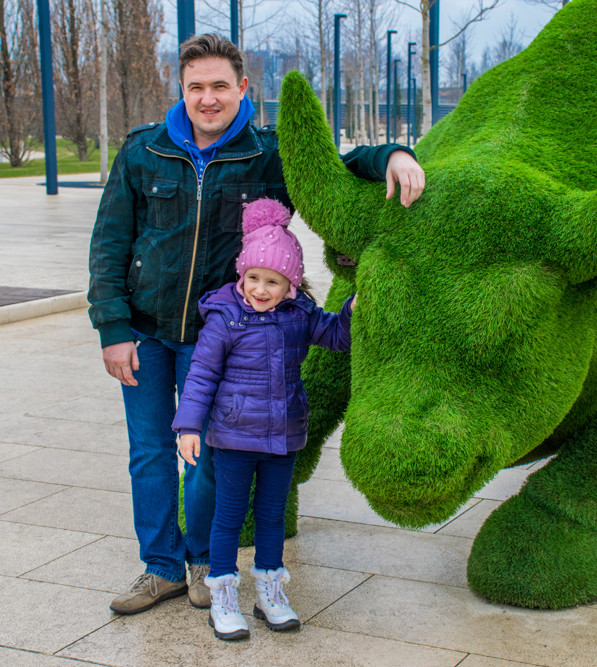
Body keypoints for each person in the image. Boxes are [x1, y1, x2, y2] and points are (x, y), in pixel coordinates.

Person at [88, 32, 425, 615]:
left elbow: (334, 171)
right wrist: (112, 328)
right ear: (183, 89)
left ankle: (200, 564)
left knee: (206, 458)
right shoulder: (143, 152)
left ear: (242, 88)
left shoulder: (266, 154)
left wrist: (392, 154)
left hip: (216, 334)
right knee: (148, 452)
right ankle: (160, 567)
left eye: (220, 85)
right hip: (144, 330)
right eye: (197, 87)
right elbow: (110, 242)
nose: (208, 98)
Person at [172, 198, 355, 641]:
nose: (260, 288)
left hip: (283, 436)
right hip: (233, 437)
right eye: (253, 277)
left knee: (272, 516)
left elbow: (336, 336)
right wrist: (189, 426)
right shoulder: (225, 317)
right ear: (242, 275)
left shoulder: (299, 315)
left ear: (290, 284)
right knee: (229, 517)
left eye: (272, 281)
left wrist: (352, 309)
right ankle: (223, 595)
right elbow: (201, 374)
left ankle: (270, 592)